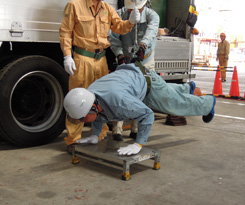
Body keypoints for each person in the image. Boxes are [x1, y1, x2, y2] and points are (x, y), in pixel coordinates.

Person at [63, 62, 216, 156]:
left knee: (176, 105)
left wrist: (139, 143)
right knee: (171, 96)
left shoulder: (120, 102)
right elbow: (99, 114)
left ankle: (208, 103)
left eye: (82, 118)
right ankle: (188, 88)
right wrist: (95, 134)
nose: (81, 121)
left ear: (92, 107)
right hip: (133, 80)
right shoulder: (91, 95)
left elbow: (147, 115)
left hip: (149, 84)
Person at [59, 0, 141, 153]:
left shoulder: (107, 8)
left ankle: (99, 135)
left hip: (101, 59)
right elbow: (65, 32)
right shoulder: (75, 5)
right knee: (77, 100)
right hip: (82, 58)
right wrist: (67, 56)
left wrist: (130, 22)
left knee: (101, 99)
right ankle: (73, 140)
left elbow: (119, 27)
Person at [108, 0, 159, 142]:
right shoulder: (119, 14)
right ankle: (117, 129)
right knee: (120, 93)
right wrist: (120, 54)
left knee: (142, 95)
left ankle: (136, 129)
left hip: (145, 60)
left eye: (136, 10)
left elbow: (151, 31)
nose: (133, 12)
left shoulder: (152, 16)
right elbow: (113, 37)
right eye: (130, 10)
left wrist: (143, 46)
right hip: (126, 58)